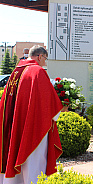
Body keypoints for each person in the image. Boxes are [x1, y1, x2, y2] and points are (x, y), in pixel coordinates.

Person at [0, 45, 63, 184]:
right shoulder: (37, 71)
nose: (45, 63)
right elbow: (49, 102)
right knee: (33, 158)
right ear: (40, 57)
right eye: (45, 59)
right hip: (32, 125)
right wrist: (58, 112)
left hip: (13, 122)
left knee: (14, 149)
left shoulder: (15, 71)